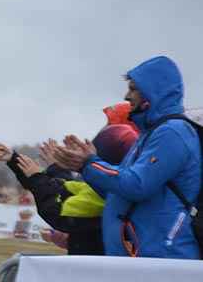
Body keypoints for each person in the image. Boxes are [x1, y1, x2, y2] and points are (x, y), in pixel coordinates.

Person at [44, 56, 201, 259]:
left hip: (161, 256)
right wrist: (85, 167)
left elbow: (136, 185)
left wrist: (90, 163)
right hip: (143, 255)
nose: (127, 96)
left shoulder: (172, 132)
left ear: (153, 92)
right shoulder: (152, 132)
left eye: (134, 88)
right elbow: (119, 192)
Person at [0, 109, 139, 256]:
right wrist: (16, 161)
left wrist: (37, 177)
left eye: (109, 122)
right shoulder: (109, 185)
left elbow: (58, 211)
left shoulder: (107, 193)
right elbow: (62, 187)